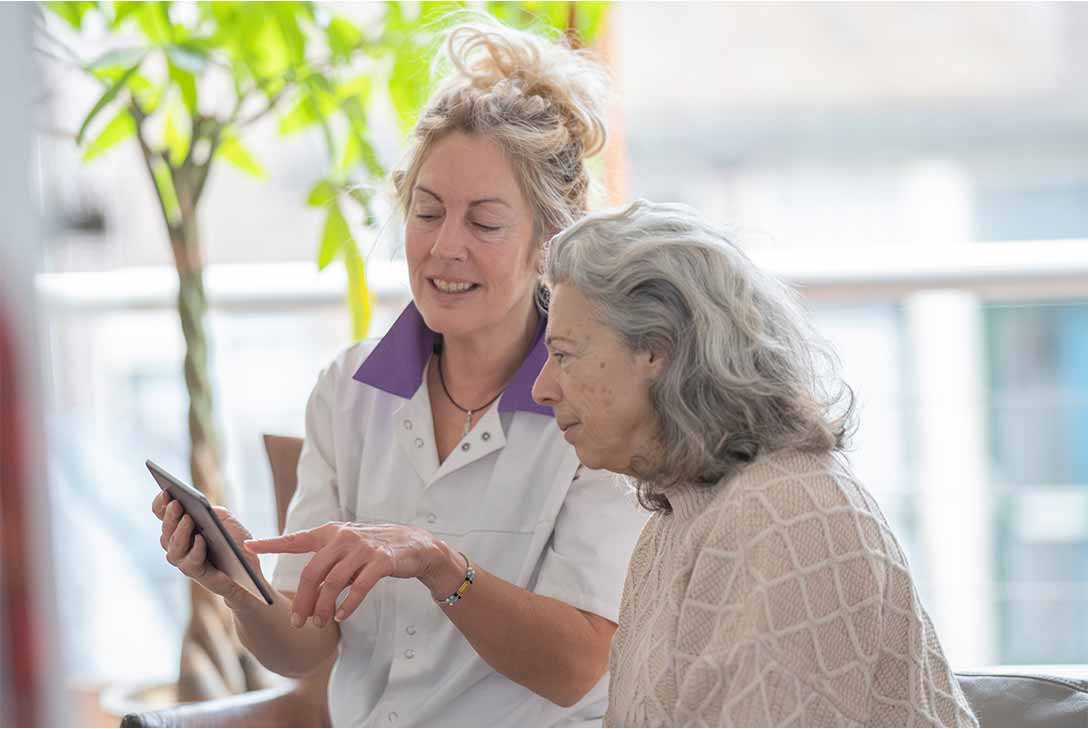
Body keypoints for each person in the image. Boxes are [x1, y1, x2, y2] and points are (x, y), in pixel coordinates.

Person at [152, 19, 647, 727]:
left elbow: (575, 667)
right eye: (427, 212)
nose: (445, 247)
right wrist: (235, 583)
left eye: (484, 222)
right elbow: (303, 645)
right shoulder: (349, 391)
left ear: (548, 241)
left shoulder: (596, 404)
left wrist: (438, 564)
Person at [531, 200, 979, 727]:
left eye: (563, 354)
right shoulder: (674, 525)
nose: (542, 389)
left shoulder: (791, 515)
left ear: (657, 349)